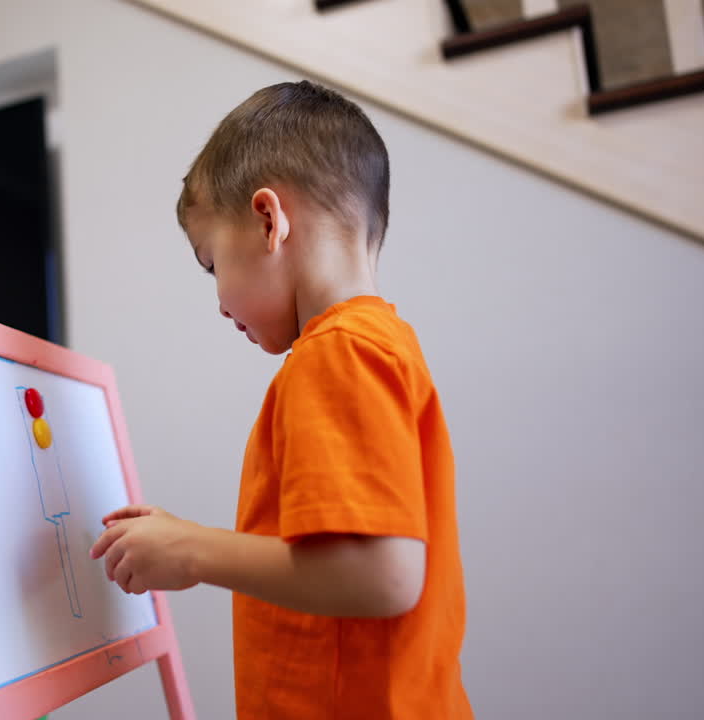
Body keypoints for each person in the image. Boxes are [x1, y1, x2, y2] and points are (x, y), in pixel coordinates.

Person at [89, 80, 472, 719]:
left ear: (269, 220)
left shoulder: (339, 352)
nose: (217, 301)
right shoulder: (375, 343)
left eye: (212, 263)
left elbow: (383, 575)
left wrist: (190, 550)